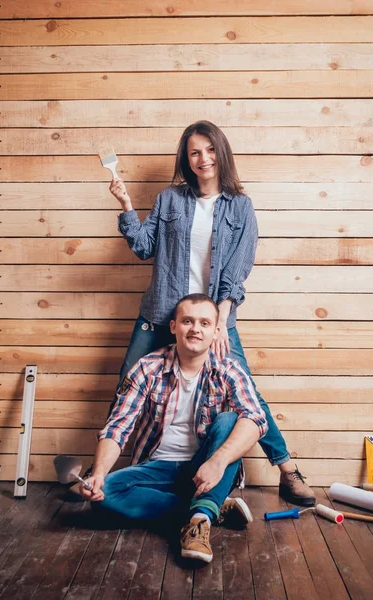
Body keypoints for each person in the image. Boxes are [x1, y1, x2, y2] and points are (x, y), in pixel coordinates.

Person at [108, 120, 315, 506]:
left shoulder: (241, 207)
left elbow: (236, 273)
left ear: (221, 152)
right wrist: (124, 205)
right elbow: (142, 245)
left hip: (212, 318)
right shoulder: (170, 199)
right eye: (194, 152)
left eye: (209, 149)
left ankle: (287, 471)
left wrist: (219, 320)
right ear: (187, 159)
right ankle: (99, 473)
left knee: (246, 394)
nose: (203, 158)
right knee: (127, 383)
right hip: (160, 312)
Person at [79, 294, 268, 564]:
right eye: (187, 321)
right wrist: (97, 474)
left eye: (204, 323)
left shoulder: (229, 370)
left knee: (229, 420)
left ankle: (200, 521)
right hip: (158, 468)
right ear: (173, 326)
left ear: (216, 332)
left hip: (208, 467)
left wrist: (218, 461)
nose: (195, 329)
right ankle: (209, 508)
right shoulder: (147, 368)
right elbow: (118, 426)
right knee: (104, 495)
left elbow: (256, 420)